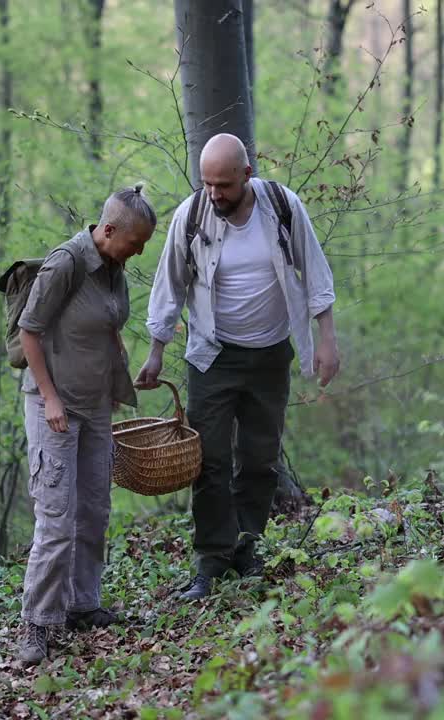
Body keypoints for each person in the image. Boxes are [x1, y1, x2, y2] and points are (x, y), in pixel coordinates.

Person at [136, 133, 340, 600]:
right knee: (207, 460)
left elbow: (316, 271)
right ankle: (210, 562)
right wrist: (155, 351)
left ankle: (247, 548)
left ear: (247, 175)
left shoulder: (282, 206)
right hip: (212, 356)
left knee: (259, 459)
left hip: (270, 354)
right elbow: (168, 286)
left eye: (224, 185)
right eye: (207, 183)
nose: (215, 194)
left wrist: (327, 340)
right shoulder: (191, 215)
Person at [16, 184, 156, 666]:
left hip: (96, 406)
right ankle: (36, 624)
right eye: (136, 242)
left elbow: (107, 322)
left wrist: (121, 366)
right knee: (56, 519)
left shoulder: (115, 270)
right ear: (109, 229)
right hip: (54, 408)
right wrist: (50, 398)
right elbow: (29, 332)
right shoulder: (65, 264)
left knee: (94, 509)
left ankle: (81, 605)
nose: (140, 251)